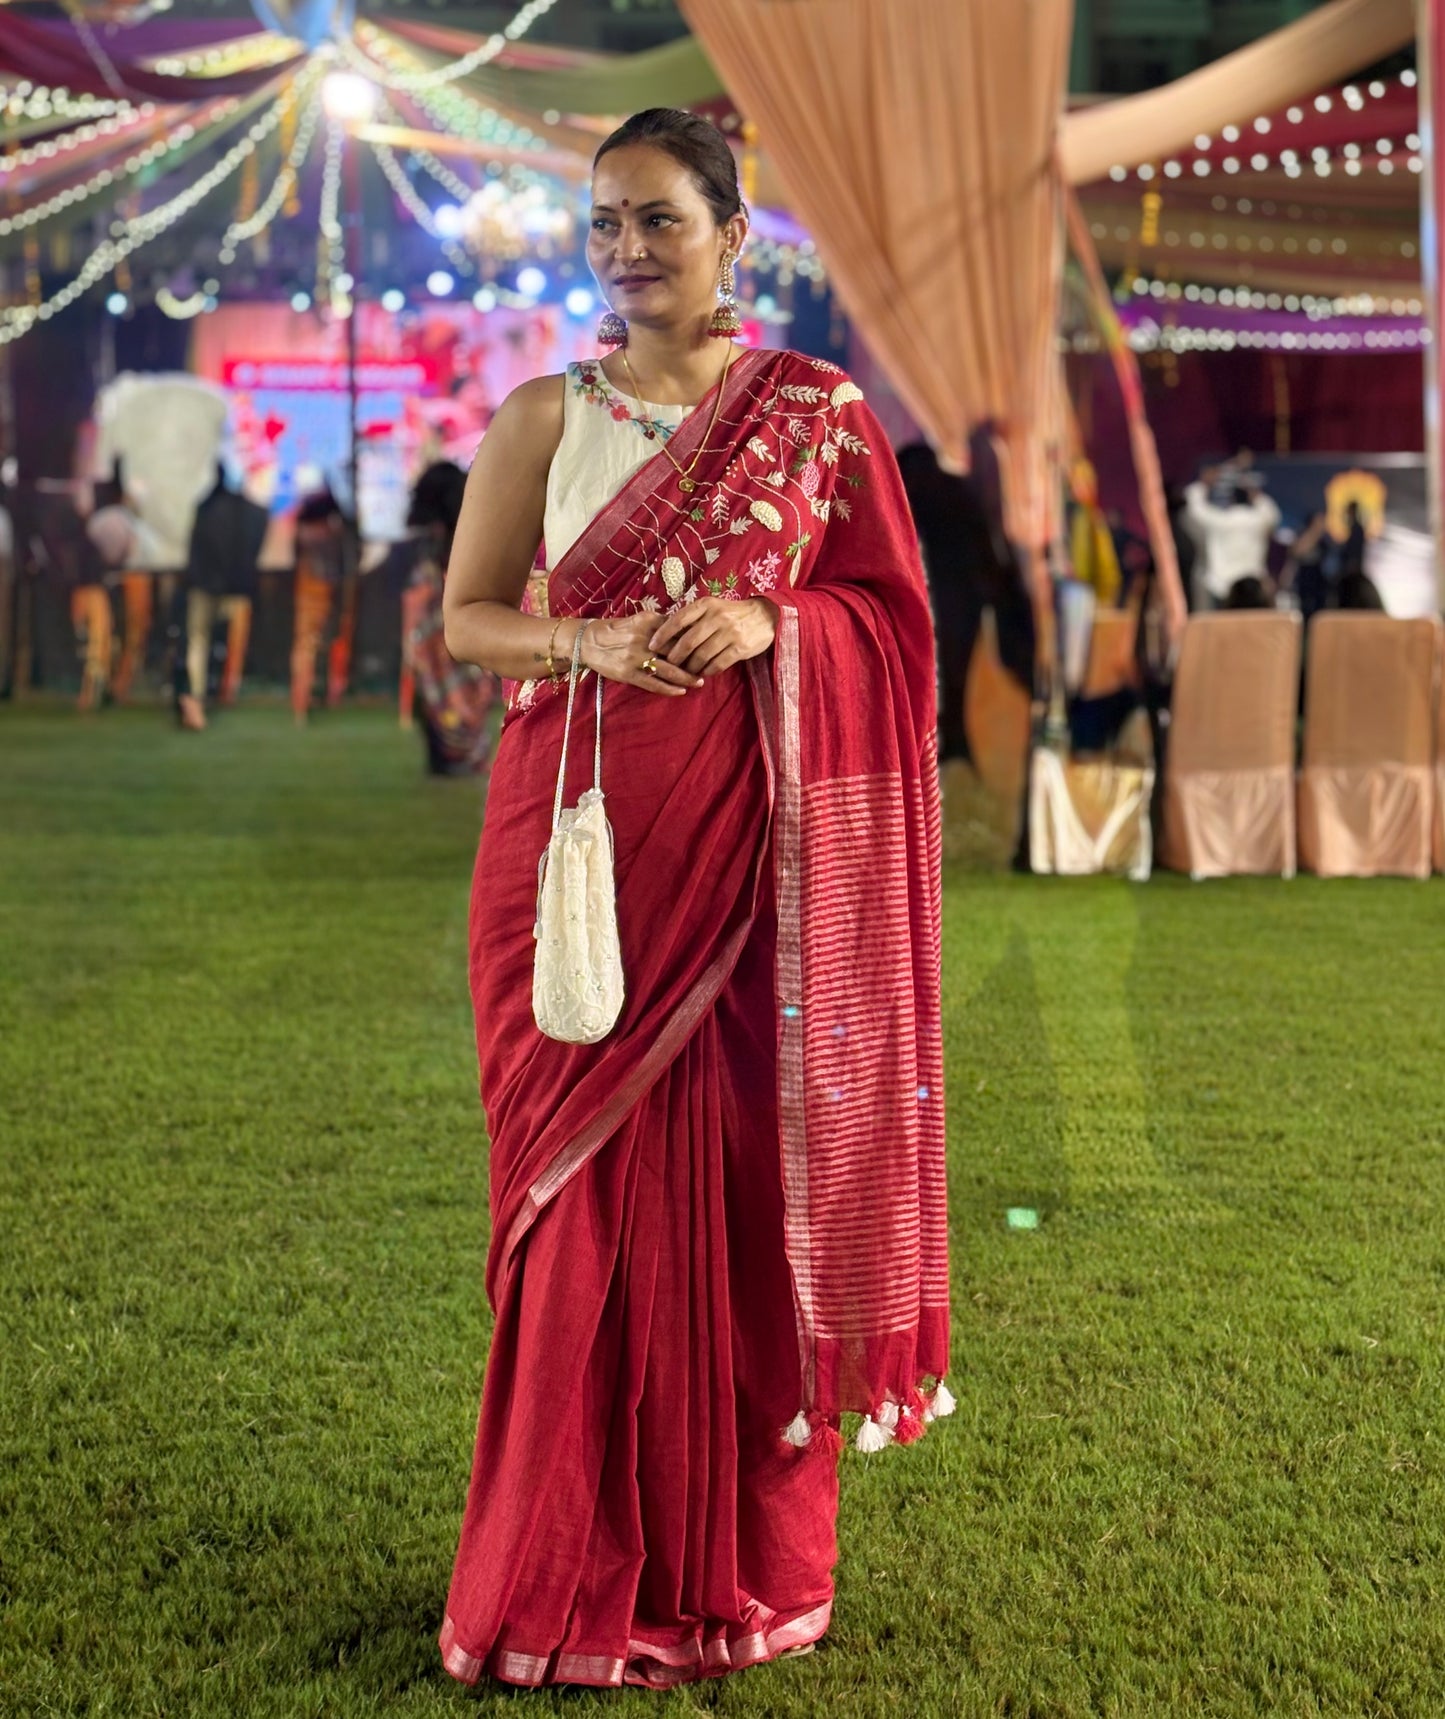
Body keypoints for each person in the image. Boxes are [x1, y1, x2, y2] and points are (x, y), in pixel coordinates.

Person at [436, 108, 950, 1691]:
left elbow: (890, 622)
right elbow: (466, 621)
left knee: (741, 1190)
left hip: (756, 867)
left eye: (659, 218)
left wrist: (767, 614)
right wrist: (583, 639)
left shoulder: (814, 417)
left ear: (736, 233)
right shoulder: (540, 413)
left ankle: (733, 1576)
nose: (626, 248)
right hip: (570, 848)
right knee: (571, 1203)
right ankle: (551, 1573)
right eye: (603, 222)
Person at [396, 460, 498, 775]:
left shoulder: (438, 541)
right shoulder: (452, 534)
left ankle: (452, 754)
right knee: (451, 684)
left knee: (444, 685)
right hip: (443, 619)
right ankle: (456, 753)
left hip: (443, 621)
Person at [177, 465, 268, 731]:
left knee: (198, 641)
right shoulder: (252, 512)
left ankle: (196, 697)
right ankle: (228, 689)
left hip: (205, 585)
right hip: (237, 586)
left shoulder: (205, 509)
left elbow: (195, 550)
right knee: (232, 642)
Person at [1184, 462, 1281, 608]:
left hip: (1221, 587)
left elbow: (1194, 508)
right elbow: (1272, 513)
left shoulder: (1218, 520)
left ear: (1231, 500)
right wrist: (1256, 495)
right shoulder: (1259, 520)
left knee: (1222, 629)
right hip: (1252, 587)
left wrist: (1203, 484)